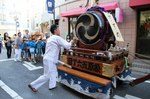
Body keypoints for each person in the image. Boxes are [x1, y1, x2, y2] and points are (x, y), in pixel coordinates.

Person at [28, 24, 76, 92]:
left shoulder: (51, 38)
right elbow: (67, 46)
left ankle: (52, 86)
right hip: (50, 59)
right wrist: (72, 41)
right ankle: (33, 85)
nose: (60, 30)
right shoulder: (57, 38)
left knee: (53, 72)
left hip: (48, 58)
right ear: (55, 30)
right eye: (58, 29)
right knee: (47, 76)